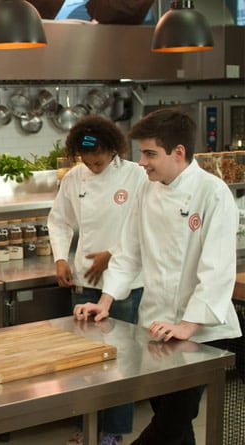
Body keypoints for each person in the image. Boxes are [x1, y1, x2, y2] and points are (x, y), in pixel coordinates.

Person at [74, 108, 242, 445]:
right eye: (141, 154)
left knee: (170, 424)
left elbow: (217, 269)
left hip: (203, 331)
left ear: (178, 152)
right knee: (175, 427)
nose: (142, 163)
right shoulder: (147, 190)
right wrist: (105, 302)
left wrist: (187, 325)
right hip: (154, 324)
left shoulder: (213, 193)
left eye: (150, 153)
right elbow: (128, 252)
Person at [48, 115, 147, 445]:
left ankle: (113, 433)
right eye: (87, 161)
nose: (92, 166)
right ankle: (84, 427)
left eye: (99, 161)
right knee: (82, 360)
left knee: (119, 359)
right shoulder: (74, 178)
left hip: (125, 283)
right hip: (84, 281)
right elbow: (59, 221)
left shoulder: (136, 176)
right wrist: (61, 257)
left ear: (114, 150)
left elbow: (142, 229)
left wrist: (112, 255)